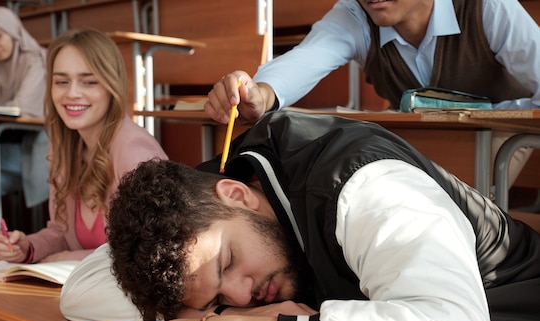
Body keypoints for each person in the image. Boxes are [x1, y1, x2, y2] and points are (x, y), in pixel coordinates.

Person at [103, 110, 540, 321]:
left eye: (228, 263)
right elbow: (87, 285)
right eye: (217, 297)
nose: (240, 295)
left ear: (236, 194)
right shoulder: (209, 203)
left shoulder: (367, 189)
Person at [204, 0, 540, 188]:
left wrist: (494, 113)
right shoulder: (357, 16)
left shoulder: (487, 7)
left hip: (500, 144)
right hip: (423, 153)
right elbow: (306, 59)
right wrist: (259, 93)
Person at [0, 28, 167, 263]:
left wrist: (73, 259)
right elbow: (60, 233)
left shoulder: (136, 152)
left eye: (89, 82)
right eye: (61, 81)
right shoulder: (64, 146)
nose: (72, 93)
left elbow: (153, 247)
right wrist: (28, 247)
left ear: (110, 87)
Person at [0, 6, 50, 243]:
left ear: (13, 33)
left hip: (39, 147)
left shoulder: (36, 60)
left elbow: (22, 109)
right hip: (13, 145)